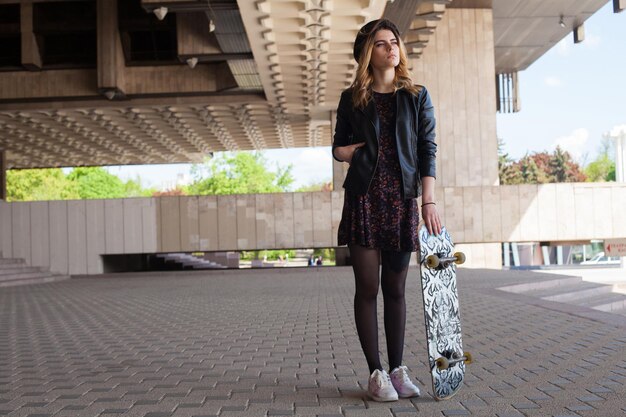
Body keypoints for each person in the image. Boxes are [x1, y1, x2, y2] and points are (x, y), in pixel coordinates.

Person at [332, 19, 442, 402]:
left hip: (401, 200)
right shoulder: (353, 99)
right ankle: (375, 374)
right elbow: (337, 148)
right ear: (368, 53)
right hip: (364, 198)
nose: (390, 48)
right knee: (367, 288)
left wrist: (428, 200)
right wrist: (352, 152)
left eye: (393, 42)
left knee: (395, 289)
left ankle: (398, 371)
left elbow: (428, 149)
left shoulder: (416, 96)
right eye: (381, 44)